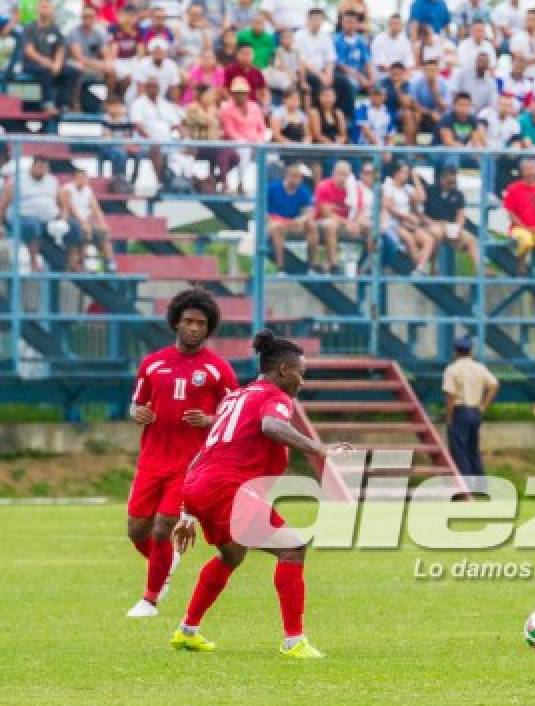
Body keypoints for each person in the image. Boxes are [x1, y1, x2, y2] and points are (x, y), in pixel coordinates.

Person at [170, 331, 351, 658]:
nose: (302, 382)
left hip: (199, 486)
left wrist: (187, 511)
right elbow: (272, 427)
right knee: (293, 547)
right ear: (284, 370)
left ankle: (187, 630)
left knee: (232, 555)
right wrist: (317, 448)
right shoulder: (275, 397)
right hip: (227, 489)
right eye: (301, 373)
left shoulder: (235, 398)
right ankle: (293, 641)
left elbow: (206, 452)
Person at [124, 289, 237, 619]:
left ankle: (150, 600)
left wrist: (209, 419)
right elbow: (136, 403)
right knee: (136, 530)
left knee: (163, 527)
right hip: (152, 459)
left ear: (209, 327)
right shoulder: (152, 363)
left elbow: (235, 415)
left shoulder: (218, 370)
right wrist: (137, 413)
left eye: (201, 323)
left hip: (191, 465)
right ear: (175, 323)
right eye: (188, 321)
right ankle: (166, 567)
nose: (194, 328)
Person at [442, 335, 500, 477]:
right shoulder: (479, 367)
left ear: (456, 351)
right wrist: (483, 406)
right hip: (475, 411)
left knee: (459, 450)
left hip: (460, 411)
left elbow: (451, 395)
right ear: (471, 351)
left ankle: (465, 487)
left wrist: (449, 417)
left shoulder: (452, 369)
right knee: (473, 449)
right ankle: (479, 485)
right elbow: (494, 384)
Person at [23, 0, 82, 113]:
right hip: (33, 64)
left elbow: (60, 48)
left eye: (47, 7)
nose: (45, 9)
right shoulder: (30, 27)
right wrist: (49, 63)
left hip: (53, 64)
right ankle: (48, 103)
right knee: (46, 70)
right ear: (37, 9)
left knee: (73, 71)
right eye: (42, 7)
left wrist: (57, 63)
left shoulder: (55, 28)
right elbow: (29, 51)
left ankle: (63, 103)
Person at [61, 167, 117, 272]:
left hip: (86, 221)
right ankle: (80, 262)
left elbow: (96, 209)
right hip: (72, 221)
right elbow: (70, 209)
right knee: (83, 230)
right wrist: (84, 223)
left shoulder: (88, 190)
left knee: (102, 233)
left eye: (85, 177)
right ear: (74, 178)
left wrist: (103, 224)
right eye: (80, 177)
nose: (83, 180)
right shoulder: (67, 189)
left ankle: (110, 263)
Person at [266, 163, 318, 269]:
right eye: (293, 176)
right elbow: (263, 211)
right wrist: (272, 221)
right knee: (276, 227)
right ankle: (280, 266)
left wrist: (302, 219)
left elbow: (310, 212)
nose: (296, 180)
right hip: (275, 222)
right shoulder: (272, 188)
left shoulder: (303, 191)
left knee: (311, 225)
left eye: (298, 177)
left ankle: (310, 265)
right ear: (286, 175)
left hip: (294, 224)